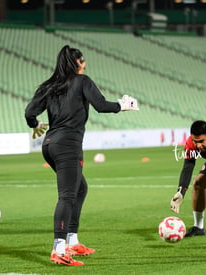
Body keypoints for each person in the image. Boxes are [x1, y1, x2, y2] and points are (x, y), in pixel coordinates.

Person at [25, 45, 138, 266]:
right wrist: (123, 105)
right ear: (78, 63)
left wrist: (36, 124)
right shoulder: (82, 81)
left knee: (80, 189)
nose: (85, 65)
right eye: (83, 62)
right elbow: (101, 106)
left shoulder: (49, 85)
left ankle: (72, 240)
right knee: (67, 196)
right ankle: (59, 248)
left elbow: (29, 112)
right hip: (68, 144)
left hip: (49, 144)